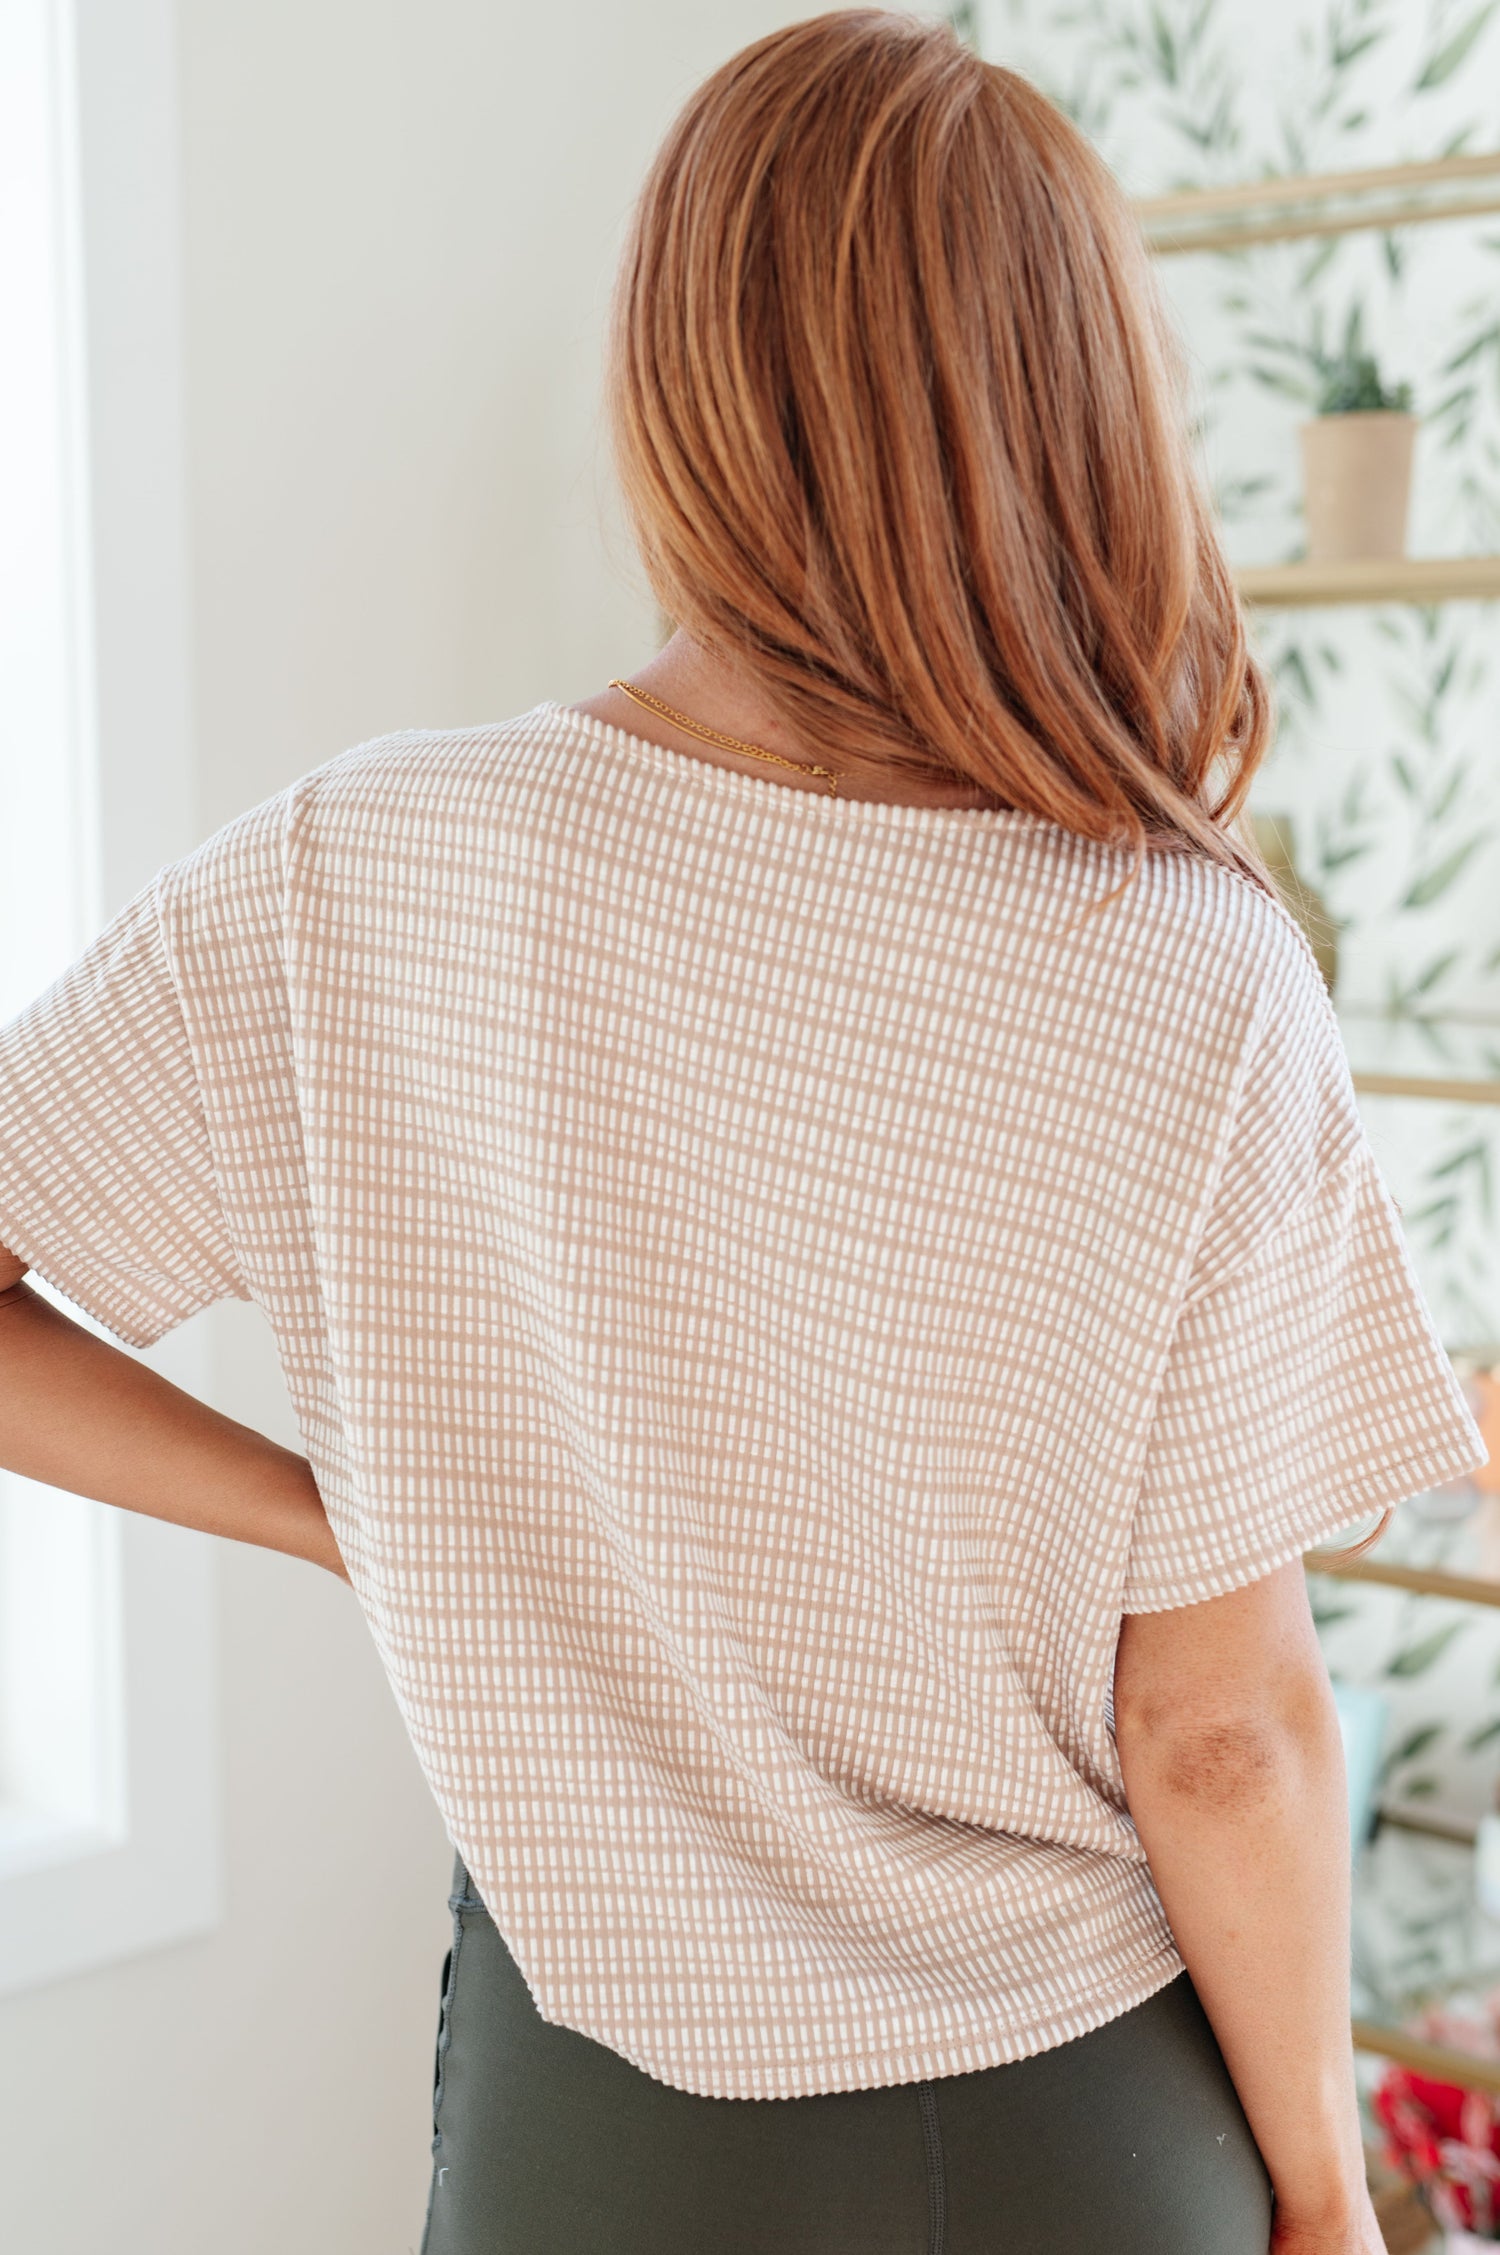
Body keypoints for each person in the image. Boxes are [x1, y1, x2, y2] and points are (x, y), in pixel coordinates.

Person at [0, 10, 1482, 2252]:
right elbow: (1222, 1732)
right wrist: (1324, 2196)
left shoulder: (355, 877)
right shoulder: (1188, 960)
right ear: (1082, 413)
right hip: (1090, 2124)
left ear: (676, 383)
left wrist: (353, 1519)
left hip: (583, 2123)